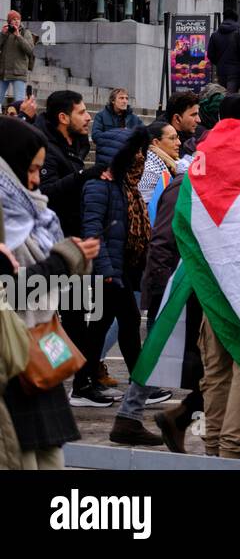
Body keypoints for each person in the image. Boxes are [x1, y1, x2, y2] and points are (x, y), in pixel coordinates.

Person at [0, 117, 99, 470]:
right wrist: (64, 259)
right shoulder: (5, 212)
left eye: (40, 169)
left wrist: (75, 260)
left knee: (49, 461)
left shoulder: (30, 212)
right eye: (30, 168)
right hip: (11, 365)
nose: (35, 179)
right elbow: (10, 290)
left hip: (36, 357)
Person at [66, 126, 152, 407]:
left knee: (101, 326)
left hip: (119, 268)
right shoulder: (98, 186)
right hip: (107, 271)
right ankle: (138, 386)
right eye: (135, 152)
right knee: (125, 321)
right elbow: (94, 231)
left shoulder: (122, 186)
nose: (140, 158)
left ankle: (83, 382)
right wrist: (106, 271)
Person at [34, 90, 101, 238]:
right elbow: (45, 194)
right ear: (63, 118)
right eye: (82, 112)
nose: (89, 117)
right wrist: (82, 175)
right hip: (56, 237)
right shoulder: (44, 149)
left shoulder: (77, 142)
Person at [207, 10, 240, 94]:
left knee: (223, 95)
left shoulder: (215, 34)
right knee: (232, 96)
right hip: (236, 70)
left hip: (221, 71)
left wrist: (218, 63)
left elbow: (210, 54)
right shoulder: (239, 33)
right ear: (235, 19)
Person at [137, 119, 180, 205]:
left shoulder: (170, 164)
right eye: (172, 138)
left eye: (178, 138)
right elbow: (147, 210)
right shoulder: (149, 172)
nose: (179, 143)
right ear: (156, 142)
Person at [0, 10, 35, 108]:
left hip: (18, 72)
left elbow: (30, 50)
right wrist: (2, 34)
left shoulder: (25, 32)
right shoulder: (5, 33)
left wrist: (18, 36)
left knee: (19, 102)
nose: (16, 21)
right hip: (3, 72)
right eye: (13, 19)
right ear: (9, 21)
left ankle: (19, 120)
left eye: (18, 19)